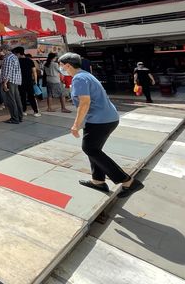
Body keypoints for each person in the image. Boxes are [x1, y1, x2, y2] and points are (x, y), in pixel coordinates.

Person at [59, 52, 144, 198]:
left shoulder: (79, 78)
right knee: (94, 149)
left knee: (90, 148)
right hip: (108, 117)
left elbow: (85, 102)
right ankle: (98, 181)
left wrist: (76, 125)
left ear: (67, 65)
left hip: (100, 120)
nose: (61, 69)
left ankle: (128, 181)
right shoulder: (86, 75)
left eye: (61, 66)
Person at [0, 46, 23, 124]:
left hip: (9, 81)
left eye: (1, 50)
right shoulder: (14, 57)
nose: (1, 52)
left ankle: (14, 118)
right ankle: (20, 117)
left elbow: (7, 71)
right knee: (17, 99)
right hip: (15, 81)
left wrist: (5, 83)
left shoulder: (8, 58)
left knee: (11, 100)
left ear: (5, 50)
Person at [18, 51, 41, 117]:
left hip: (21, 81)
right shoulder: (30, 60)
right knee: (31, 96)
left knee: (23, 96)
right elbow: (34, 72)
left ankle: (24, 111)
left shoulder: (17, 61)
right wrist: (36, 81)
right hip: (29, 81)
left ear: (19, 53)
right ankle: (36, 111)